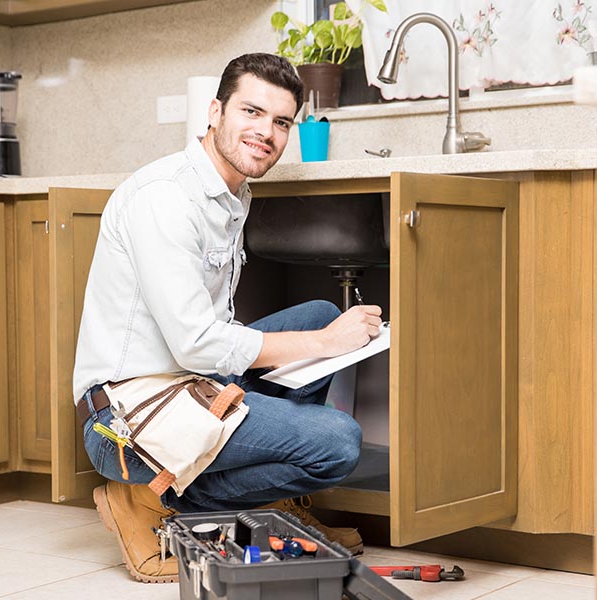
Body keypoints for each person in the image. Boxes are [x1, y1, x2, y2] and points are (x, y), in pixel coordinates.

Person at [73, 53, 384, 583]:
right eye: (252, 112)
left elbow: (210, 341)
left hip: (189, 381)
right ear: (215, 112)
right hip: (127, 418)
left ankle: (270, 507)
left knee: (319, 312)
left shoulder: (228, 192)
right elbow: (196, 343)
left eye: (281, 122)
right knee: (338, 442)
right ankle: (147, 502)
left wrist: (324, 333)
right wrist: (325, 344)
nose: (266, 132)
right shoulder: (166, 198)